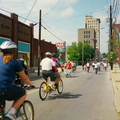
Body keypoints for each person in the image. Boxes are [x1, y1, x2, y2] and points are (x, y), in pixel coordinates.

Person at [0, 41, 34, 120]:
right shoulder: (15, 62)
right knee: (23, 93)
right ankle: (11, 114)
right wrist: (31, 84)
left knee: (1, 105)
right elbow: (24, 78)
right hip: (5, 88)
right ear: (13, 52)